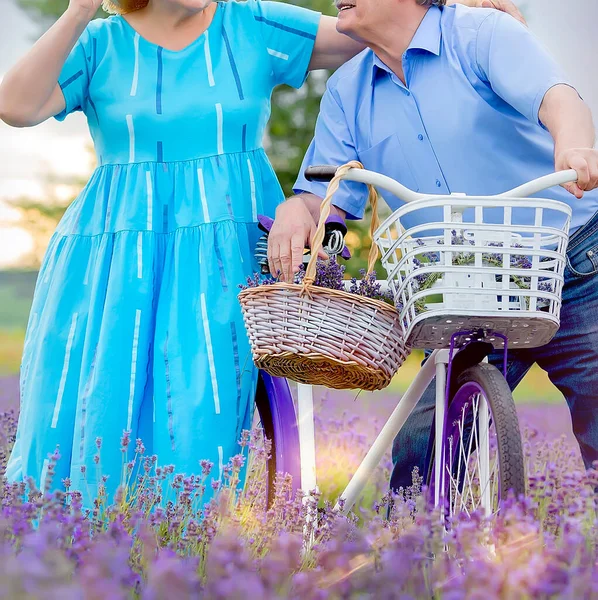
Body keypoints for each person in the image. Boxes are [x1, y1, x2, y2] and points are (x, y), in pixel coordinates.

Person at [0, 0, 523, 505]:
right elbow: (16, 105)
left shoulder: (249, 23)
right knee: (102, 391)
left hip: (226, 255)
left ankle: (181, 544)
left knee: (201, 402)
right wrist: (77, 10)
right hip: (116, 256)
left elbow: (378, 26)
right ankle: (82, 539)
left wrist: (454, 8)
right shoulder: (99, 44)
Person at [270, 0, 598, 493]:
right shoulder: (346, 91)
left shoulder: (480, 33)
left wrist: (574, 145)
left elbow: (557, 98)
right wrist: (297, 209)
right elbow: (325, 194)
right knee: (422, 453)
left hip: (571, 264)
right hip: (467, 286)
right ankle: (413, 562)